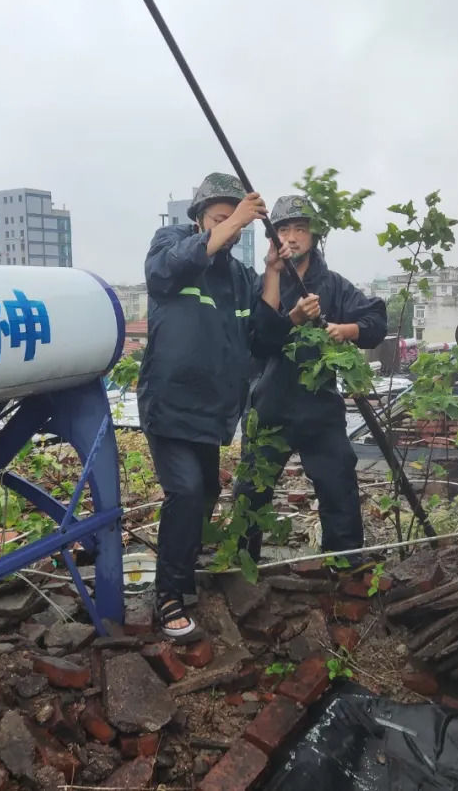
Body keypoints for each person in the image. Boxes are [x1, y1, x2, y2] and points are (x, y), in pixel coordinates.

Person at [138, 173, 289, 639]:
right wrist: (239, 217)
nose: (229, 228)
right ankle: (169, 593)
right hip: (170, 400)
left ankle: (182, 557)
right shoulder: (174, 244)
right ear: (201, 218)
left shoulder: (239, 276)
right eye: (220, 219)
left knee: (203, 492)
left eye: (235, 222)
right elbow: (163, 270)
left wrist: (273, 272)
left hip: (212, 411)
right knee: (183, 492)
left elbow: (262, 335)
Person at [236, 194, 387, 568]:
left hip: (320, 407)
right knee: (251, 492)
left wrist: (345, 329)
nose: (291, 236)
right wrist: (294, 317)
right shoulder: (262, 283)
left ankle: (345, 568)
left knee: (339, 484)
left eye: (299, 229)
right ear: (273, 237)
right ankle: (240, 568)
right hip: (268, 403)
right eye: (283, 229)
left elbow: (375, 324)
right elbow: (259, 340)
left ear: (313, 237)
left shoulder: (333, 286)